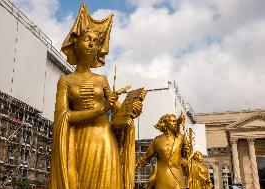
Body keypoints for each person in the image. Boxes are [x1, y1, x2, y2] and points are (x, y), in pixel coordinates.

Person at [49, 3, 141, 189]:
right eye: (87, 39)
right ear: (75, 43)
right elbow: (63, 117)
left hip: (103, 138)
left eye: (96, 41)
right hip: (78, 141)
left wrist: (131, 110)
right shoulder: (65, 81)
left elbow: (118, 109)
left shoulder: (102, 79)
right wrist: (101, 109)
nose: (92, 43)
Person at [137, 113, 189, 189]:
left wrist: (186, 155)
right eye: (173, 121)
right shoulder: (157, 140)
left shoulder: (180, 138)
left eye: (176, 121)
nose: (175, 123)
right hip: (161, 176)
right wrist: (135, 165)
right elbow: (146, 158)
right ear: (166, 123)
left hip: (177, 176)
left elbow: (186, 155)